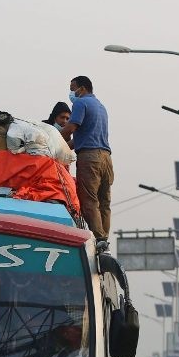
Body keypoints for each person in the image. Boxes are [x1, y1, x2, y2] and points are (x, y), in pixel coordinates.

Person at [60, 76, 112, 251]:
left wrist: (53, 139)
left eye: (72, 88)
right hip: (106, 158)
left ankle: (99, 239)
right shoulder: (100, 107)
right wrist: (66, 147)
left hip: (90, 158)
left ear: (82, 89)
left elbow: (71, 128)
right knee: (104, 202)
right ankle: (105, 238)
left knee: (89, 200)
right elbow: (82, 137)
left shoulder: (80, 104)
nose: (71, 92)